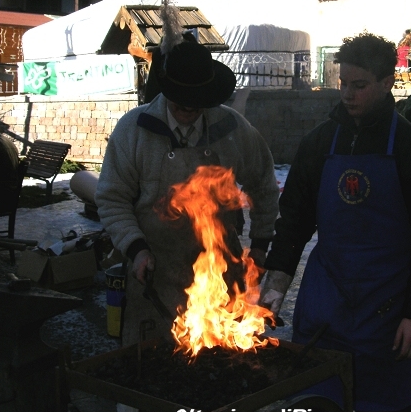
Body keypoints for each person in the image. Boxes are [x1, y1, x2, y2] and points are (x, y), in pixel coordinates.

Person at [259, 32, 411, 412]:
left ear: (387, 83)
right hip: (325, 306)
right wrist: (276, 281)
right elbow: (293, 221)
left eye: (359, 85)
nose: (347, 93)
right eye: (342, 82)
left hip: (388, 310)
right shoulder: (316, 146)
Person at [95, 38, 280, 347]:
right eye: (181, 99)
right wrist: (136, 248)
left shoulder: (233, 129)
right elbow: (112, 200)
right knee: (149, 376)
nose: (188, 108)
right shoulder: (133, 131)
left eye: (196, 101)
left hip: (221, 277)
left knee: (221, 371)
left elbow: (263, 184)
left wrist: (260, 244)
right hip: (154, 275)